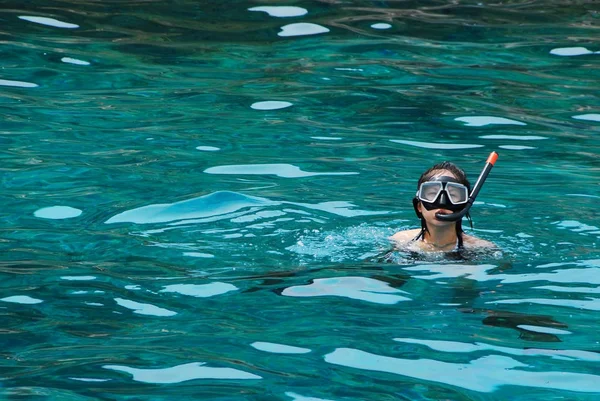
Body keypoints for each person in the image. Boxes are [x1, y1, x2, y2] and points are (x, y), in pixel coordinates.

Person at [390, 161, 496, 253]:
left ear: (464, 206)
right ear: (419, 206)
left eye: (453, 195)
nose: (442, 202)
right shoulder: (401, 240)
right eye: (432, 194)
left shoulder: (481, 248)